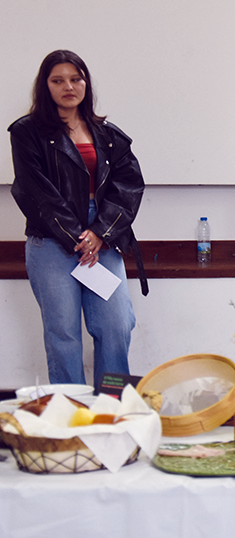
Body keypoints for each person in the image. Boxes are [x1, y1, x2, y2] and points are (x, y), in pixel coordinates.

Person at [9, 50, 148, 387]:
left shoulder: (108, 134)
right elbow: (34, 191)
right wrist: (76, 237)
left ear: (86, 83)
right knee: (63, 333)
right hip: (51, 240)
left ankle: (112, 404)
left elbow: (129, 185)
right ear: (45, 86)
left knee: (117, 324)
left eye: (76, 79)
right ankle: (71, 409)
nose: (68, 87)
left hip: (102, 237)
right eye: (58, 80)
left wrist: (99, 232)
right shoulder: (27, 132)